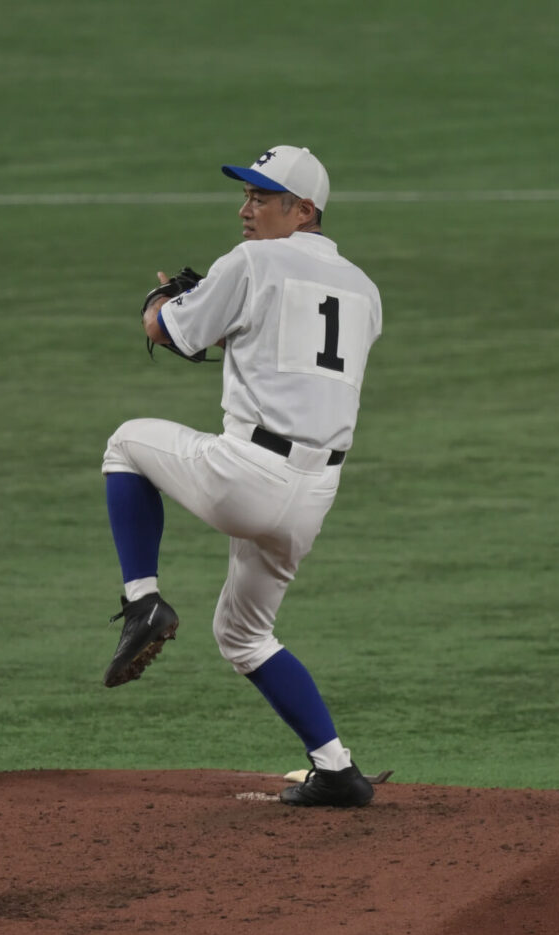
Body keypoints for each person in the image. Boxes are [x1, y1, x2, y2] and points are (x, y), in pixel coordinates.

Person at [100, 145, 383, 808]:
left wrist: (164, 299)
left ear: (304, 209)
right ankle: (337, 769)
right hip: (314, 495)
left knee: (124, 444)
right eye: (247, 194)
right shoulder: (364, 290)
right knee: (244, 634)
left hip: (247, 475)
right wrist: (218, 315)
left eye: (262, 197)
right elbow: (291, 361)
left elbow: (167, 332)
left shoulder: (252, 262)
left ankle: (143, 601)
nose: (245, 208)